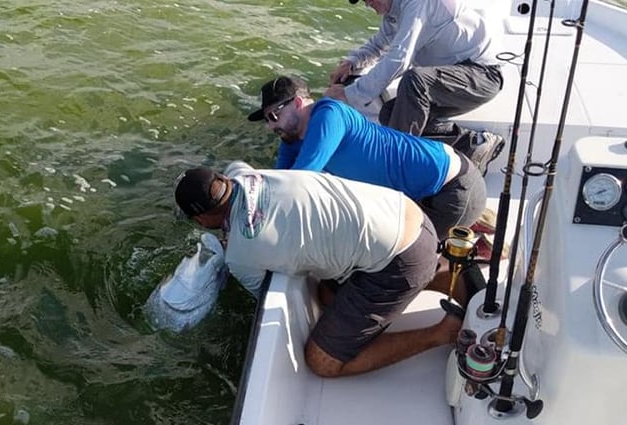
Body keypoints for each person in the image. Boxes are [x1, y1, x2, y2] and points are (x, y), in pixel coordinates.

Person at [174, 161, 463, 377]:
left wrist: (232, 249)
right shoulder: (243, 173)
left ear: (201, 219)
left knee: (322, 362)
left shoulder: (239, 256)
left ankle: (442, 333)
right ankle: (450, 275)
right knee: (326, 296)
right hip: (408, 213)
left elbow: (262, 298)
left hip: (399, 259)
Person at [247, 75, 486, 239]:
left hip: (452, 191)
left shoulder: (329, 114)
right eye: (267, 120)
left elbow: (299, 182)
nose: (270, 126)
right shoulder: (292, 138)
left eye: (273, 116)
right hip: (422, 195)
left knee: (398, 263)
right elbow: (275, 184)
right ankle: (472, 225)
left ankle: (469, 236)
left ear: (298, 102)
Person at [324, 0, 506, 168]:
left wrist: (349, 94)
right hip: (451, 78)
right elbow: (380, 44)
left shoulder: (417, 4)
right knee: (389, 114)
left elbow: (398, 60)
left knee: (415, 80)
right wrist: (352, 62)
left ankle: (395, 163)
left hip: (483, 75)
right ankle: (472, 143)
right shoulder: (394, 12)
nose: (369, 4)